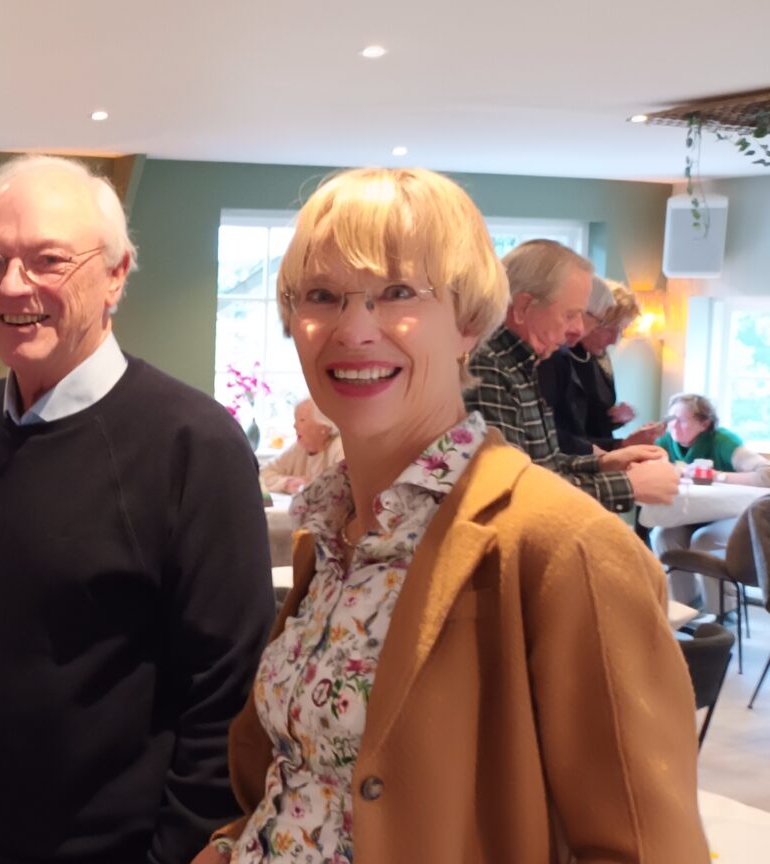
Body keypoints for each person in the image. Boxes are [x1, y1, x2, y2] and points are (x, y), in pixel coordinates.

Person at [198, 167, 706, 864]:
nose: (354, 329)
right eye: (322, 296)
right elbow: (304, 781)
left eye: (398, 293)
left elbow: (647, 848)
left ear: (469, 322)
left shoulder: (561, 548)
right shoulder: (335, 535)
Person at [0, 155, 274, 864]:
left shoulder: (195, 446)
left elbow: (228, 694)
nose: (12, 285)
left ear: (116, 274)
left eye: (47, 259)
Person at [463, 239, 677, 513]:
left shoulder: (521, 363)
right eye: (570, 315)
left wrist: (605, 462)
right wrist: (629, 485)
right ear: (523, 307)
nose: (578, 329)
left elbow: (543, 464)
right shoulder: (488, 368)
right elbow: (512, 492)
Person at [653, 392, 770, 606]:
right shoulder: (665, 443)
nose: (673, 426)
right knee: (663, 536)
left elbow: (766, 475)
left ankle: (724, 608)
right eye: (670, 419)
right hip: (692, 515)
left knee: (704, 539)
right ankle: (687, 607)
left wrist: (718, 476)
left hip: (732, 515)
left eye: (681, 420)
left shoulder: (723, 441)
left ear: (704, 424)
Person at [537, 277, 660, 455]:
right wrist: (621, 445)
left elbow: (589, 422)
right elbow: (556, 435)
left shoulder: (598, 358)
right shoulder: (553, 358)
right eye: (610, 329)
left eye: (621, 331)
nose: (614, 340)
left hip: (594, 459)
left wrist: (614, 419)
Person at [257, 398, 343, 494]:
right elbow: (262, 474)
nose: (294, 425)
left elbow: (341, 488)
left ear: (324, 427)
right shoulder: (300, 447)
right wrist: (287, 483)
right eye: (295, 420)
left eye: (302, 420)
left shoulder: (340, 448)